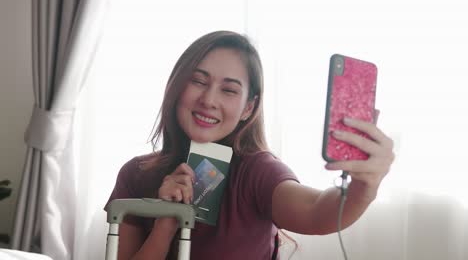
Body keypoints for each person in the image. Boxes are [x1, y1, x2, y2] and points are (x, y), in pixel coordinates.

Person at [105, 30, 395, 260]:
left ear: (248, 108)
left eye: (229, 90)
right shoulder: (135, 174)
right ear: (175, 86)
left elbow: (317, 212)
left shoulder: (258, 171)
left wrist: (363, 186)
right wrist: (166, 223)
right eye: (198, 81)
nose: (209, 99)